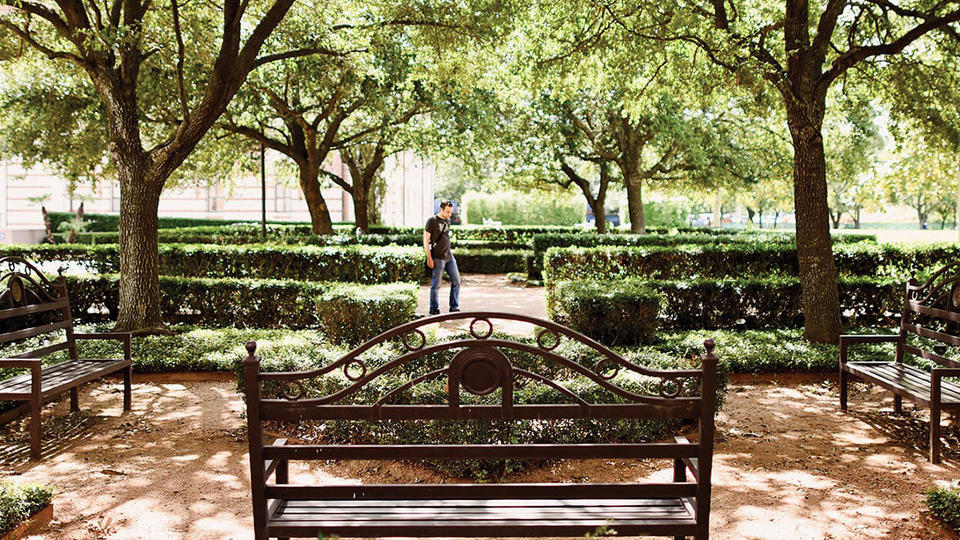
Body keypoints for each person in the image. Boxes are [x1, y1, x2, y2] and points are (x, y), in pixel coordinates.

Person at [424, 201, 460, 315]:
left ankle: (454, 307)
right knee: (436, 284)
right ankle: (434, 308)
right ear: (441, 209)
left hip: (449, 256)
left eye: (451, 212)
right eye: (447, 212)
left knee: (456, 281)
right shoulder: (431, 221)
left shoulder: (447, 221)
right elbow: (426, 241)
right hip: (438, 258)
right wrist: (429, 258)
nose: (450, 214)